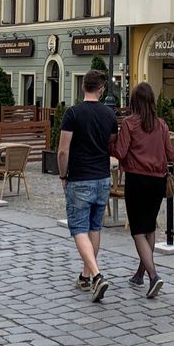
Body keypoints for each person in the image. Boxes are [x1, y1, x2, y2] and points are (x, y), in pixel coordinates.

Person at [57, 69, 117, 303]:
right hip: (102, 177)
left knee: (79, 228)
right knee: (94, 227)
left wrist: (63, 175)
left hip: (79, 177)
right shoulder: (109, 115)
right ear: (101, 90)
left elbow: (63, 150)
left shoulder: (72, 114)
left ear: (84, 87)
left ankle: (97, 275)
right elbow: (111, 143)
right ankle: (85, 276)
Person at [112, 82, 174, 299]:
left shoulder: (130, 124)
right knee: (149, 227)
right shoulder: (162, 125)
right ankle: (140, 273)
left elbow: (120, 152)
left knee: (138, 230)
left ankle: (153, 275)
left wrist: (108, 143)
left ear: (134, 102)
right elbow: (170, 154)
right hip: (158, 181)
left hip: (137, 180)